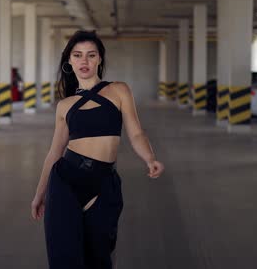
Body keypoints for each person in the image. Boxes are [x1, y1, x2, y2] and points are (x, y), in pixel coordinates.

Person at [30, 30, 165, 269]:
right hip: (66, 181)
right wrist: (40, 194)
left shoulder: (119, 90)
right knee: (65, 257)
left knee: (100, 256)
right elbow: (54, 152)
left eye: (91, 55)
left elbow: (136, 133)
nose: (84, 61)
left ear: (100, 59)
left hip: (104, 183)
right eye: (78, 55)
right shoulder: (65, 105)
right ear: (69, 61)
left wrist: (150, 158)